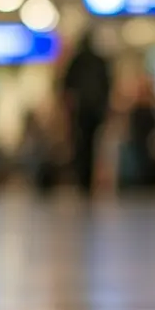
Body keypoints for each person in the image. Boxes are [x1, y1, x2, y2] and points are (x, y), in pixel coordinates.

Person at [59, 30, 111, 196]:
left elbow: (66, 87)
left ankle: (83, 181)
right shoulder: (99, 61)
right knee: (92, 145)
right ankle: (87, 181)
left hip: (81, 110)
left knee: (81, 145)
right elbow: (107, 85)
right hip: (95, 110)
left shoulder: (77, 61)